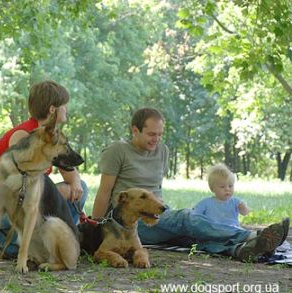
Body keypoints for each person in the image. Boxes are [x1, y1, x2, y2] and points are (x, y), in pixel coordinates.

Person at [92, 107, 288, 262]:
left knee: (195, 237)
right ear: (135, 130)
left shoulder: (162, 151)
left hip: (156, 217)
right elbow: (104, 192)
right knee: (186, 218)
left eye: (160, 134)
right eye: (152, 134)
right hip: (128, 222)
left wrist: (161, 213)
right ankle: (252, 235)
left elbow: (156, 191)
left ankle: (242, 249)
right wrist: (95, 228)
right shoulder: (118, 150)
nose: (157, 139)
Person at [0, 80, 88, 257]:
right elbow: (20, 180)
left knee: (80, 187)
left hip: (28, 198)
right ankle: (17, 241)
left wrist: (75, 182)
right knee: (51, 195)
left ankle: (61, 240)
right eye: (64, 106)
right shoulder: (23, 134)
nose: (67, 109)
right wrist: (62, 192)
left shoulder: (52, 135)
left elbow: (68, 168)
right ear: (53, 109)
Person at [193, 164, 251, 229]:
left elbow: (245, 213)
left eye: (230, 186)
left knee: (241, 232)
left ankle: (253, 236)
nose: (227, 189)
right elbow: (194, 214)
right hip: (214, 230)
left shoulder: (236, 202)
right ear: (212, 189)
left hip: (233, 229)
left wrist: (243, 208)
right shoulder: (206, 203)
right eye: (222, 187)